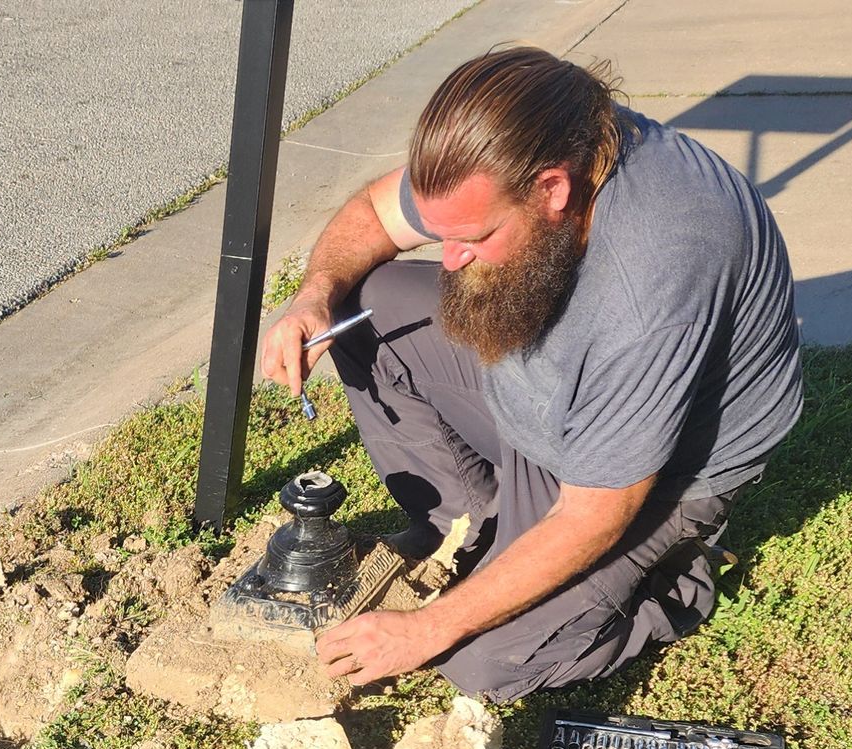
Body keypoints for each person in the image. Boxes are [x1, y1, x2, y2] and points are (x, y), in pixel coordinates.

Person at [258, 46, 802, 699]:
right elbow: (373, 215)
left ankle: (673, 584)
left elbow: (594, 515)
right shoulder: (540, 140)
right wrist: (314, 295)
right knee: (366, 305)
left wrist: (427, 628)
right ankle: (465, 526)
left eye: (474, 239)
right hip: (553, 393)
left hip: (656, 474)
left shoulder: (651, 286)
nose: (450, 260)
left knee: (479, 662)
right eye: (441, 234)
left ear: (553, 190)